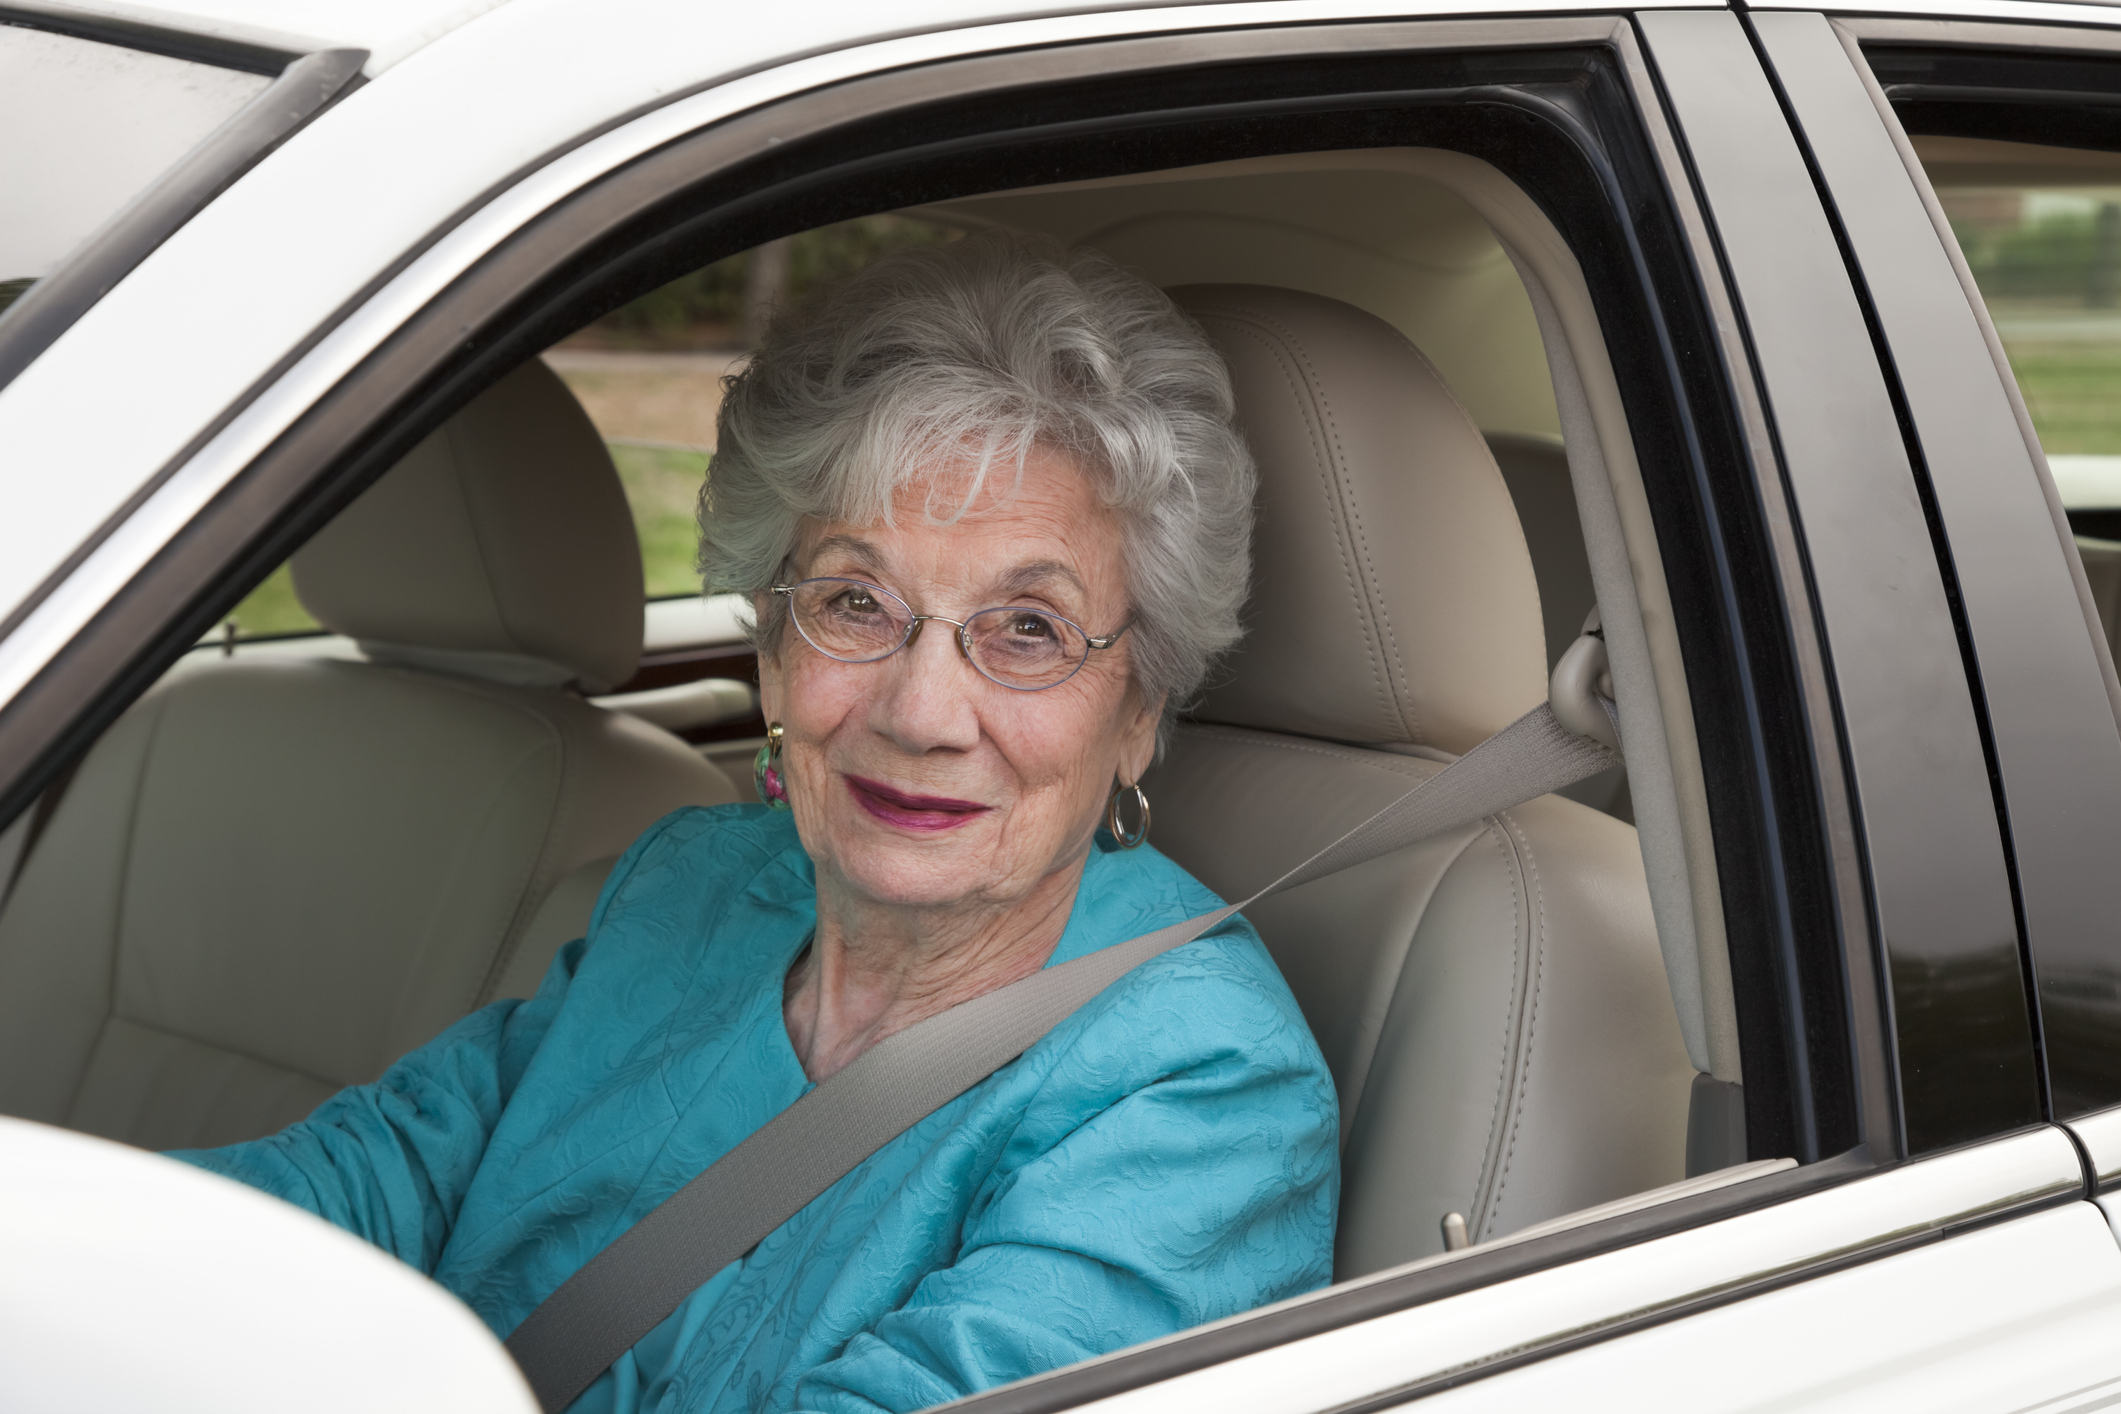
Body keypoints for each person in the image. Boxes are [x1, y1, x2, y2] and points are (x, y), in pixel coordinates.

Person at [174, 232, 1339, 1414]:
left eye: (1029, 629)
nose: (923, 711)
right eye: (854, 602)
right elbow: (376, 1177)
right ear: (773, 659)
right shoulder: (690, 890)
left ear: (1137, 709)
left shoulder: (1203, 1087)